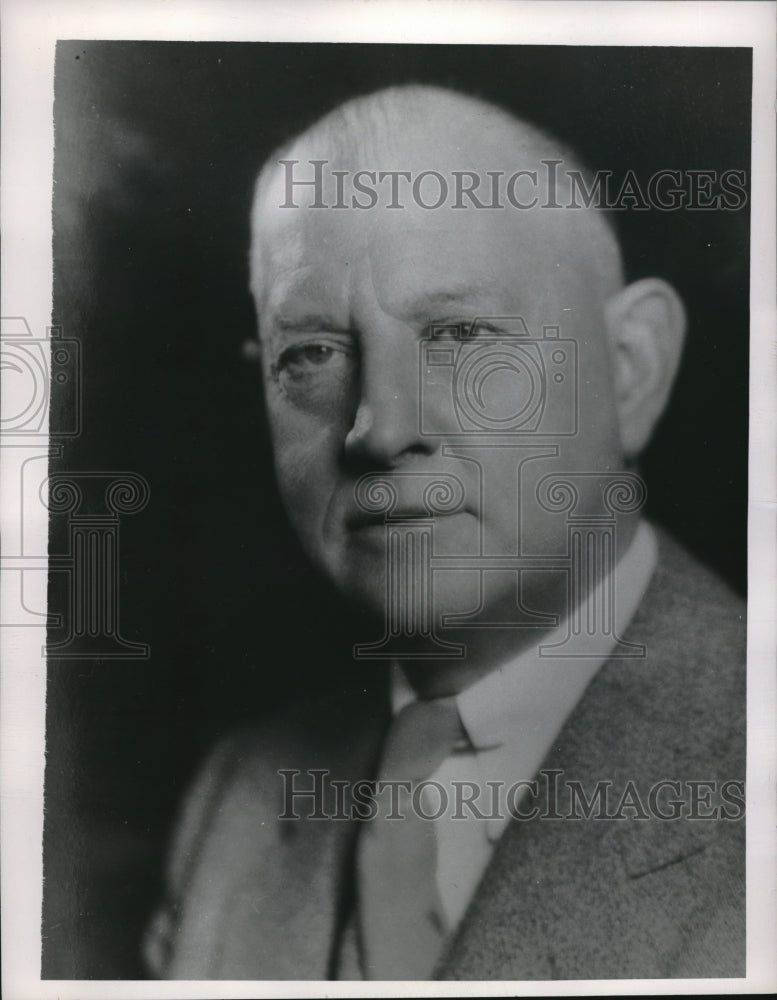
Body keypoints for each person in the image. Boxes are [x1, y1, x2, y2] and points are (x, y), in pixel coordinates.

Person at [144, 85, 745, 981]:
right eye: (309, 354)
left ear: (630, 370)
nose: (380, 429)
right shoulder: (238, 798)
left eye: (460, 333)